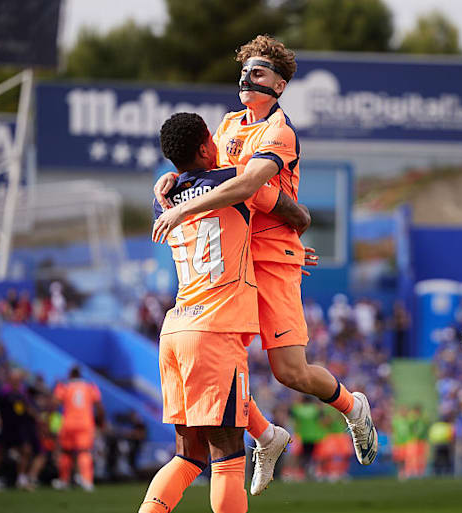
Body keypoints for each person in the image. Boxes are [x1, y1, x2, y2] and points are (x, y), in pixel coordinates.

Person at [152, 34, 377, 495]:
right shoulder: (230, 123)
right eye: (244, 71)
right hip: (237, 252)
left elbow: (250, 181)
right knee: (222, 358)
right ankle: (266, 436)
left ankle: (353, 408)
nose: (246, 78)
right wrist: (173, 177)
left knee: (289, 371)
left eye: (257, 72)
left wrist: (181, 208)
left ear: (280, 84)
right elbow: (208, 171)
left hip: (271, 255)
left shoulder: (280, 130)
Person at [138, 112, 308, 513]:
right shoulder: (235, 182)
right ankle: (266, 437)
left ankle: (267, 435)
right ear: (204, 147)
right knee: (228, 457)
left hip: (176, 329)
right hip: (215, 328)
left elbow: (182, 191)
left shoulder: (164, 196)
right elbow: (297, 215)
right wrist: (290, 248)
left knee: (187, 455)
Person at [52, 366, 103, 492]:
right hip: (85, 424)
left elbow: (54, 403)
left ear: (70, 375)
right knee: (84, 451)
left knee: (66, 452)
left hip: (68, 423)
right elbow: (99, 406)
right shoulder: (89, 387)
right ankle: (86, 481)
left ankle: (64, 481)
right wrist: (100, 421)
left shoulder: (64, 386)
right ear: (80, 375)